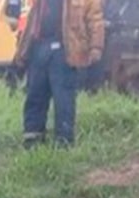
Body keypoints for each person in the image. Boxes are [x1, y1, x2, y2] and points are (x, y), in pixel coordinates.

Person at [15, 0, 105, 148]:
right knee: (35, 94)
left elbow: (95, 19)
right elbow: (27, 21)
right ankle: (32, 138)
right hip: (38, 48)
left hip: (65, 50)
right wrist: (22, 50)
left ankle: (63, 141)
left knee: (63, 98)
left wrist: (96, 47)